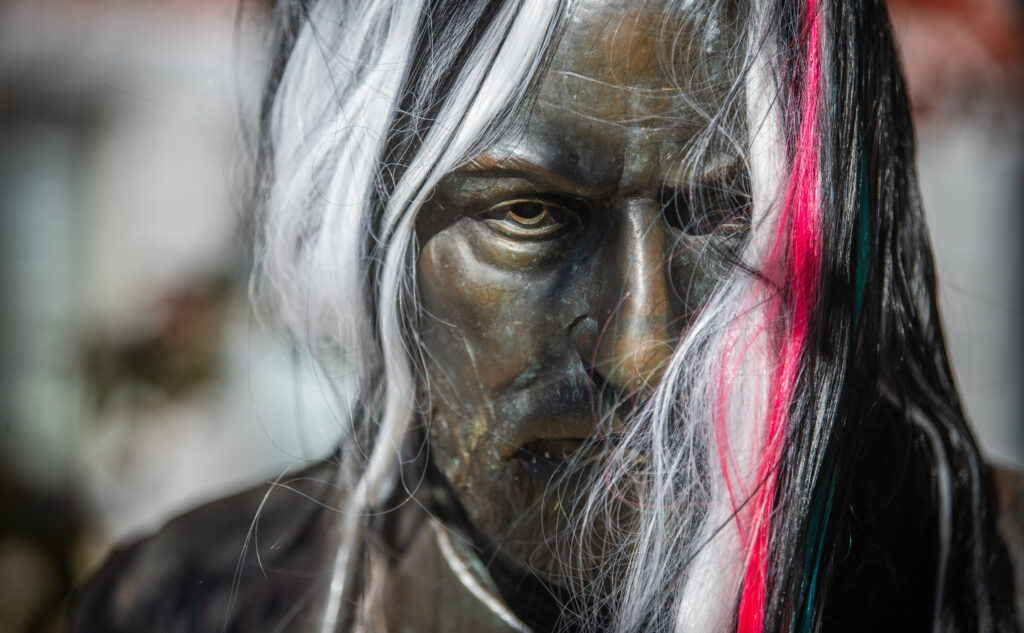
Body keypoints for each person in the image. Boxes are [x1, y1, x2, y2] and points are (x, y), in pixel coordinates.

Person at [73, 0, 1021, 631]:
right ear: (366, 230)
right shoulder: (192, 603)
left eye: (723, 214)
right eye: (531, 214)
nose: (647, 349)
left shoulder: (989, 583)